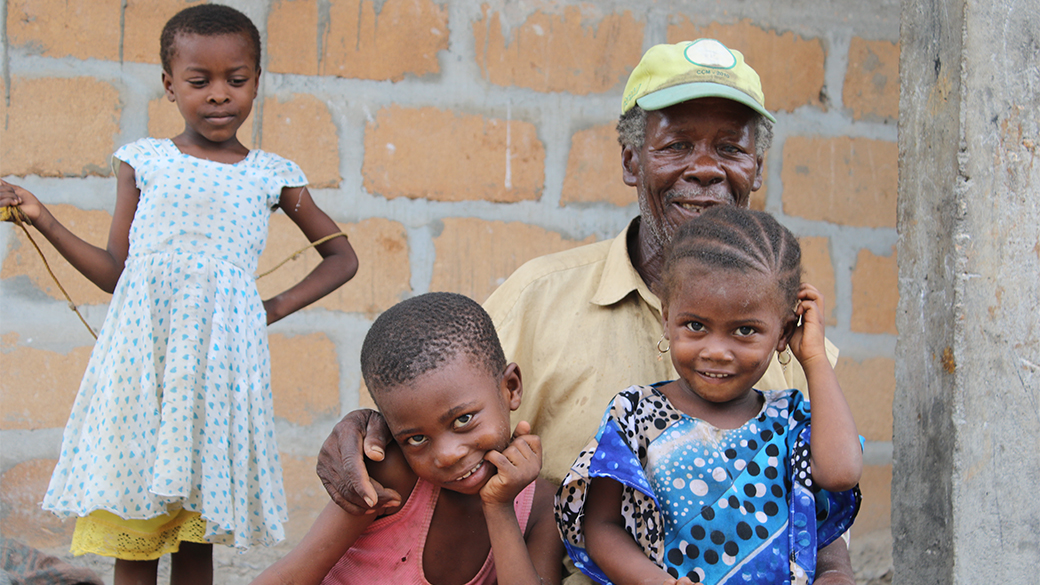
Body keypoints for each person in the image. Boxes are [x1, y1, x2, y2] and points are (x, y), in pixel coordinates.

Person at [315, 39, 855, 583]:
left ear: (756, 168)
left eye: (731, 149)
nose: (705, 169)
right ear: (631, 160)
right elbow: (426, 410)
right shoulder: (540, 297)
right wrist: (366, 428)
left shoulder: (799, 348)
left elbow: (826, 531)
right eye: (678, 145)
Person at [0, 5, 358, 585]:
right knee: (138, 530)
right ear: (170, 85)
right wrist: (41, 216)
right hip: (145, 368)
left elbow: (342, 257)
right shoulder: (144, 162)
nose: (220, 95)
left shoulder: (272, 175)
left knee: (197, 532)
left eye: (236, 80)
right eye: (200, 81)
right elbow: (115, 272)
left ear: (257, 83)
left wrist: (267, 309)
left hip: (217, 373)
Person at [556, 206, 862, 585]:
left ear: (783, 332)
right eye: (696, 325)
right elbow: (600, 526)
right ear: (667, 317)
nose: (717, 350)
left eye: (745, 330)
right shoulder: (635, 416)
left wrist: (814, 358)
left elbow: (840, 474)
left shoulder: (793, 422)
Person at [251, 293, 563, 585]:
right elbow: (291, 576)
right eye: (416, 439)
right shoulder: (391, 476)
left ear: (511, 387)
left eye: (463, 419)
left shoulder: (540, 505)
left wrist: (499, 507)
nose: (447, 455)